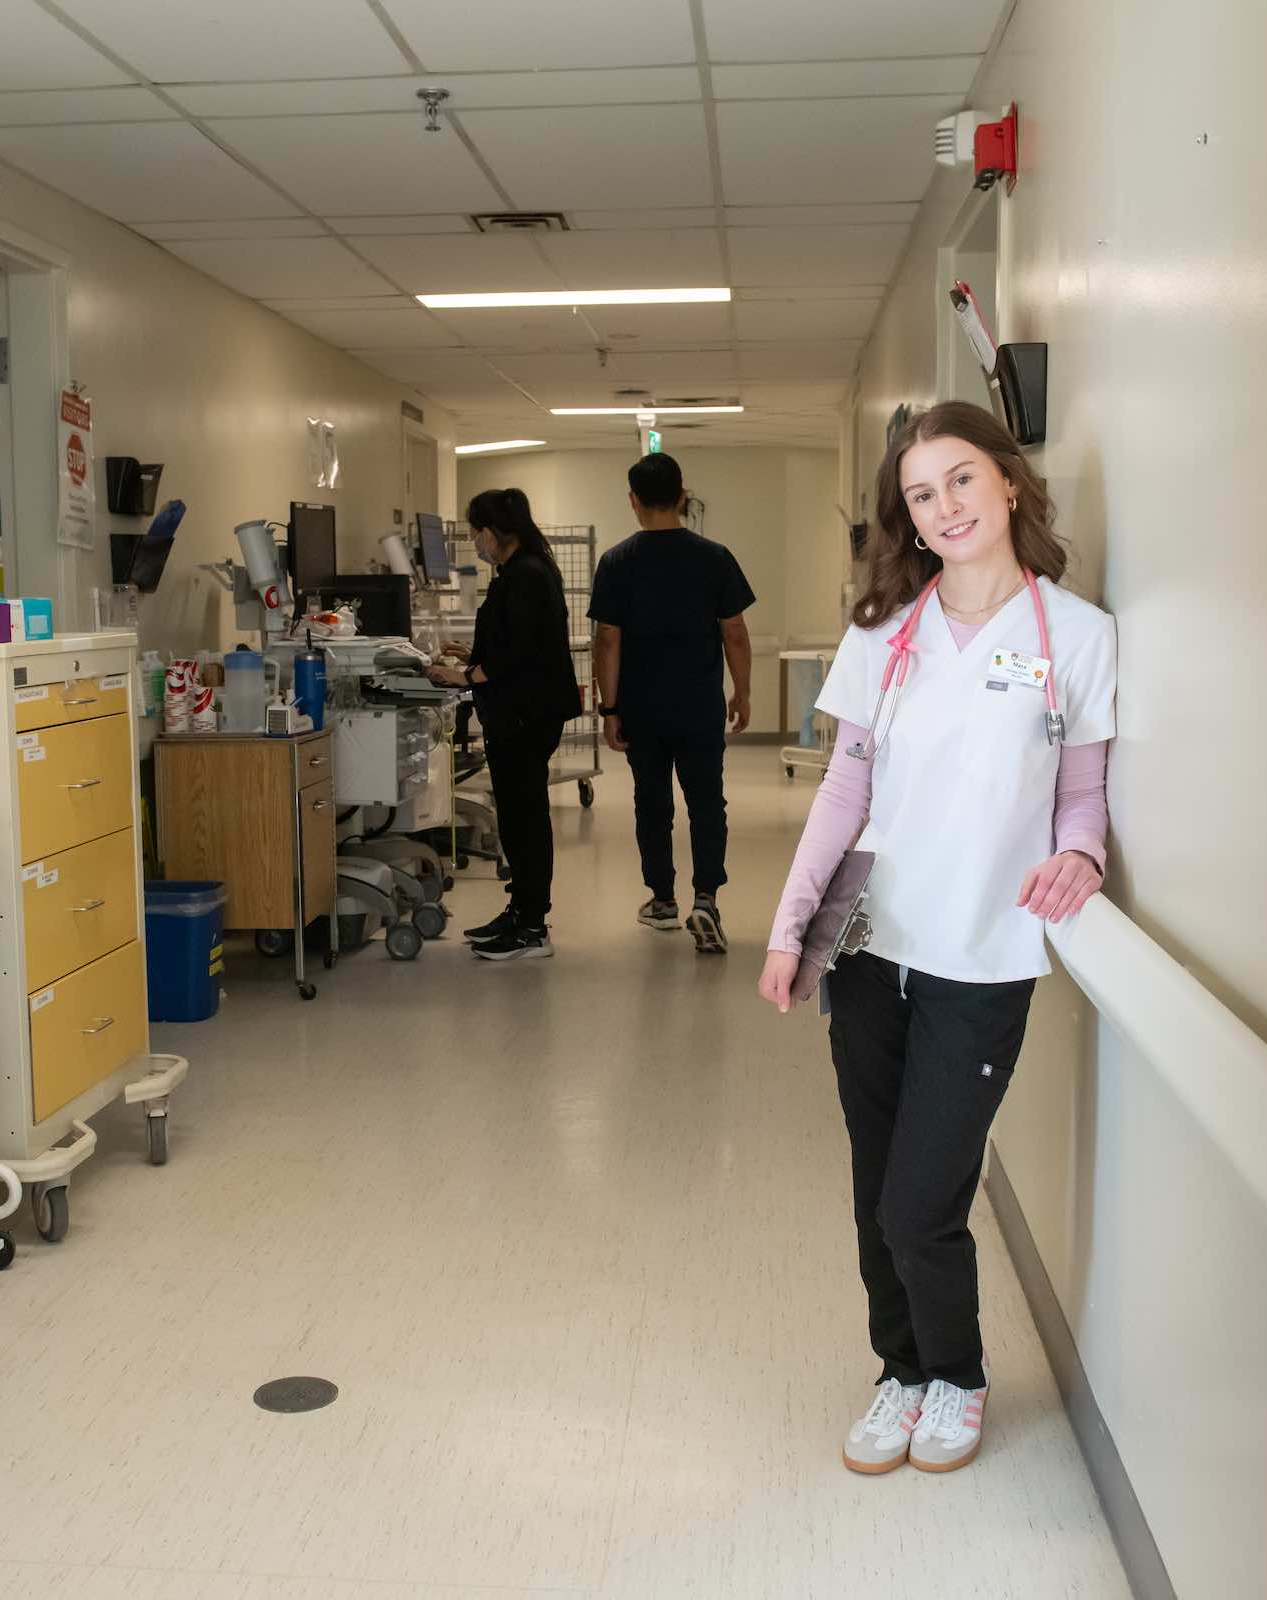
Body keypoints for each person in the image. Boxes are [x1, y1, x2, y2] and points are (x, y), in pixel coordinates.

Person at [757, 401, 1116, 1477]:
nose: (945, 506)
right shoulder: (886, 634)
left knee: (925, 1196)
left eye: (962, 480)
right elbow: (845, 788)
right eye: (922, 494)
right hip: (870, 949)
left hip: (985, 957)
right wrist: (788, 931)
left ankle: (955, 1375)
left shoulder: (1078, 634)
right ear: (905, 519)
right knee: (879, 1186)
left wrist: (1084, 857)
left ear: (1009, 484)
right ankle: (900, 1374)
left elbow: (1085, 791)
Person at [588, 452, 756, 955]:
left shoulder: (616, 562)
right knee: (707, 803)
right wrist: (742, 692)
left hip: (642, 708)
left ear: (633, 501)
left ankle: (662, 900)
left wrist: (609, 708)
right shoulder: (714, 557)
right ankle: (706, 899)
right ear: (683, 496)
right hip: (699, 704)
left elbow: (607, 641)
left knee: (652, 802)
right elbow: (736, 633)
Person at [427, 488, 580, 962]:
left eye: (476, 533)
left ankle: (532, 926)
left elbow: (522, 653)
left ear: (493, 532)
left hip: (524, 715)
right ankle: (521, 912)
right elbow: (513, 640)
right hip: (521, 711)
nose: (474, 543)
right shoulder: (520, 571)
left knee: (525, 819)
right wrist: (473, 657)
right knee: (517, 819)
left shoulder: (527, 576)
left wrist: (465, 676)